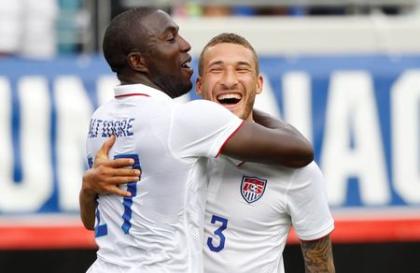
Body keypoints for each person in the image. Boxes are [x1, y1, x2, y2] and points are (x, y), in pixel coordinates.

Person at [80, 8, 314, 273]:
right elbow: (301, 150)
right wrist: (246, 104)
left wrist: (88, 190)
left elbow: (92, 222)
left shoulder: (100, 119)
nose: (185, 45)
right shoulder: (184, 120)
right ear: (138, 61)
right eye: (170, 39)